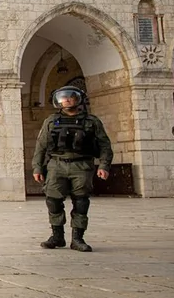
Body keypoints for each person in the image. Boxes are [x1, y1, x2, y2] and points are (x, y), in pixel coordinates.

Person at [32, 86, 113, 252]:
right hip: (56, 164)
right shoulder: (51, 121)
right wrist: (37, 168)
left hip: (82, 165)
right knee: (53, 200)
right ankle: (57, 236)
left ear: (78, 99)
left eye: (70, 97)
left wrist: (104, 165)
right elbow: (41, 146)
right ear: (58, 101)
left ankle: (77, 238)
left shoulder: (92, 121)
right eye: (63, 97)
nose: (67, 100)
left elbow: (105, 145)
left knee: (81, 201)